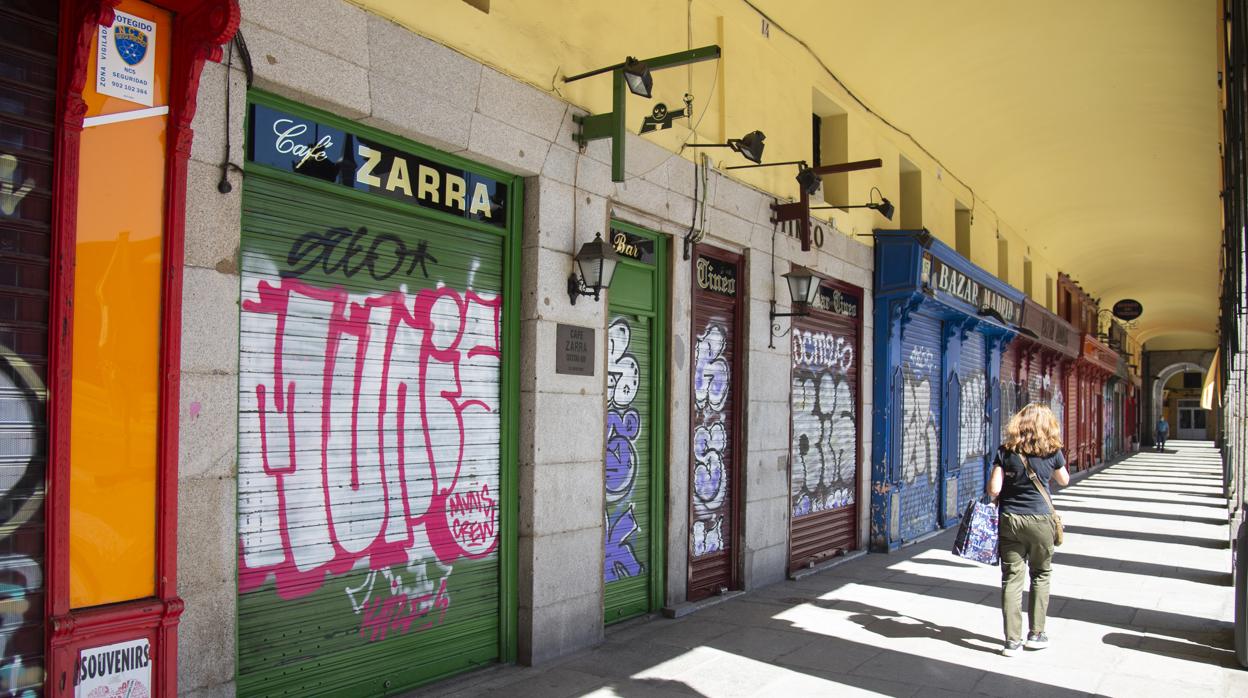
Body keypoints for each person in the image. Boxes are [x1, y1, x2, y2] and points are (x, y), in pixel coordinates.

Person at [987, 403, 1070, 657]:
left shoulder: (1006, 451)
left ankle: (1011, 641)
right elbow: (1064, 480)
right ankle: (1036, 634)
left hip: (1010, 519)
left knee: (1012, 578)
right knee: (1041, 574)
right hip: (1040, 520)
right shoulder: (1052, 452)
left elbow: (993, 489)